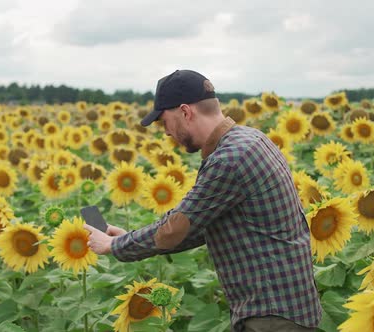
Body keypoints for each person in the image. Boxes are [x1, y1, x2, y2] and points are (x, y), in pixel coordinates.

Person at [84, 69, 322, 332]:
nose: (165, 132)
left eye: (164, 121)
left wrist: (113, 245)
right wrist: (127, 239)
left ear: (185, 112)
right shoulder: (252, 139)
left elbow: (177, 227)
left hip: (272, 315)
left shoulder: (230, 159)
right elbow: (200, 225)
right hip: (282, 306)